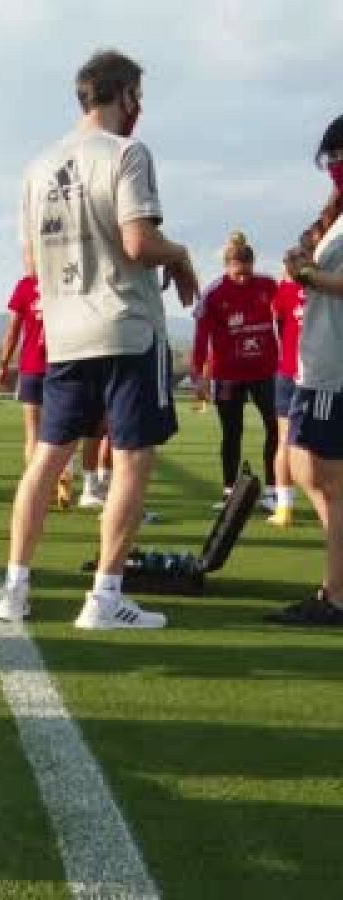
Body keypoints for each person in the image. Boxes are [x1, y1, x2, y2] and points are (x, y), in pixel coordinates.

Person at [0, 50, 198, 630]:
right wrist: (180, 254)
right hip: (127, 327)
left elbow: (32, 261)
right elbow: (139, 244)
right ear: (123, 94)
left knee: (45, 460)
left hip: (63, 333)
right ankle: (105, 598)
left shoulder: (37, 167)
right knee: (133, 460)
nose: (141, 109)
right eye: (138, 96)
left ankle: (15, 588)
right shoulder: (128, 152)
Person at [267, 114, 343, 628]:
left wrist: (308, 274)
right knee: (308, 471)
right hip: (318, 361)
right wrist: (305, 260)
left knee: (323, 477)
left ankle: (335, 595)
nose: (333, 167)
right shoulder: (334, 216)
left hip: (334, 367)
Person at [191, 231, 280, 508]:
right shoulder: (214, 293)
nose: (243, 279)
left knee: (275, 428)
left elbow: (286, 320)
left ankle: (273, 491)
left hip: (266, 372)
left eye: (247, 273)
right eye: (237, 273)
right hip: (228, 375)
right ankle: (230, 491)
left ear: (253, 265)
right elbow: (200, 337)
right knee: (232, 432)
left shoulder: (268, 285)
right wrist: (198, 376)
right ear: (227, 267)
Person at [268, 266, 308, 526]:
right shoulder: (328, 289)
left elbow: (276, 323)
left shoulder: (284, 290)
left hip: (288, 371)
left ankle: (284, 509)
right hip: (321, 375)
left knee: (284, 440)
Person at [0, 276, 46, 466]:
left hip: (33, 367)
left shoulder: (27, 285)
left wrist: (3, 363)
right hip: (62, 367)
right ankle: (62, 481)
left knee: (33, 432)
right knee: (63, 431)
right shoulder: (68, 279)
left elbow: (12, 330)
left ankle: (34, 484)